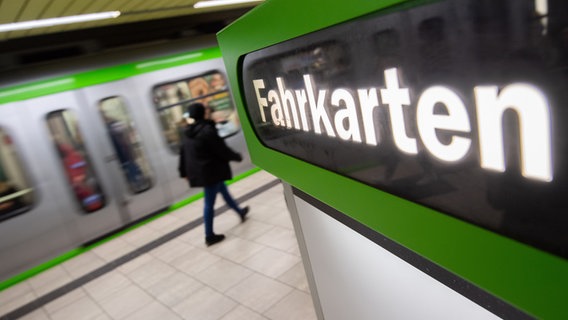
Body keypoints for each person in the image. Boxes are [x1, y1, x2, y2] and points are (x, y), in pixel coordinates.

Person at [178, 103, 249, 246]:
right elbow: (220, 149)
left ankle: (239, 211)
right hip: (210, 171)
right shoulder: (207, 130)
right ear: (203, 113)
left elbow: (183, 154)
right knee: (209, 204)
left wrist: (183, 171)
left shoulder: (187, 132)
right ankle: (209, 236)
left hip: (205, 171)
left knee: (224, 191)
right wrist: (236, 156)